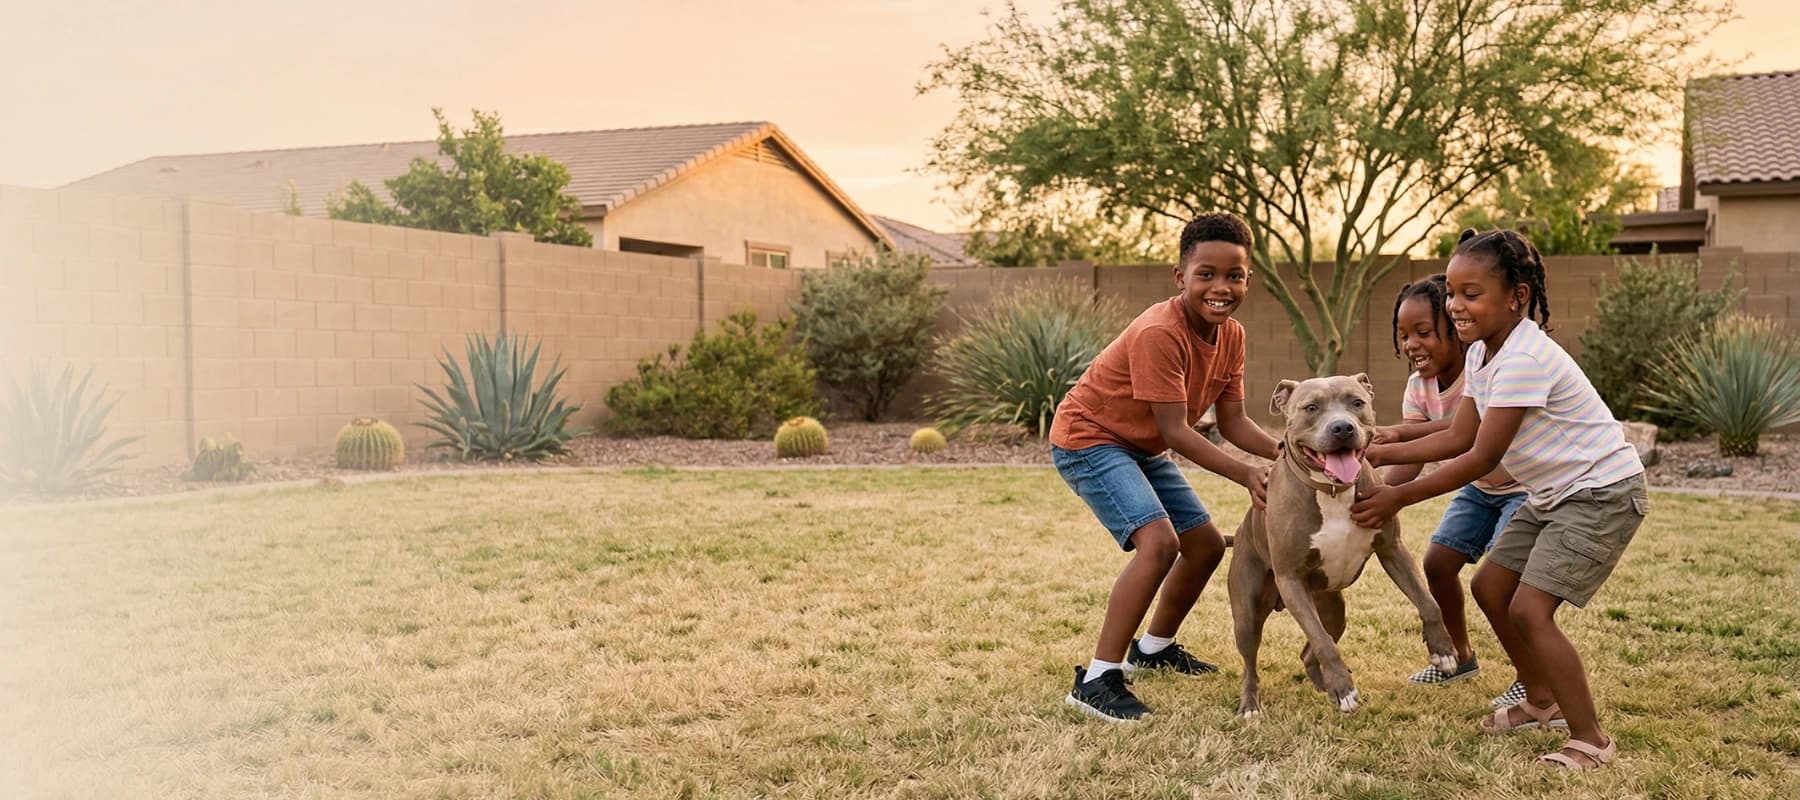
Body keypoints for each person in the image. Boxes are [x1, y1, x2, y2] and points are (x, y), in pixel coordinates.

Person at [1351, 229, 1647, 770]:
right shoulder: (1486, 353)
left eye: (1472, 293)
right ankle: (1540, 701)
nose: (1456, 306)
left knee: (1531, 612)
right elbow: (1457, 436)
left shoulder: (1524, 359)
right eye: (1453, 294)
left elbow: (1481, 458)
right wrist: (1386, 436)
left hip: (1601, 492)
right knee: (1491, 584)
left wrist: (1397, 496)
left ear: (1518, 295)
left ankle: (1590, 738)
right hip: (1557, 493)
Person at [1049, 212, 1280, 723]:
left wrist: (1284, 456)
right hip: (1090, 438)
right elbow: (1177, 431)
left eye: (1235, 275)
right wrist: (1245, 474)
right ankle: (1096, 680)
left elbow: (1235, 421)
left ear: (1248, 278)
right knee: (1158, 544)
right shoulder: (1160, 333)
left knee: (1202, 546)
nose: (1221, 287)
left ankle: (1153, 649)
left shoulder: (1233, 335)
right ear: (1181, 277)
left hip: (1142, 445)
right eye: (1207, 274)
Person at [1377, 275, 1531, 705]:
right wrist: (1375, 500)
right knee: (1439, 562)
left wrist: (1394, 451)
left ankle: (1530, 673)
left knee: (1500, 582)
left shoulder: (1482, 371)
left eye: (1423, 333)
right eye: (1404, 336)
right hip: (1480, 487)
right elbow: (1410, 452)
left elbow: (1468, 431)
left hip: (1524, 488)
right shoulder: (1417, 387)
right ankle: (1459, 656)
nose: (1411, 345)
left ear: (1454, 328)